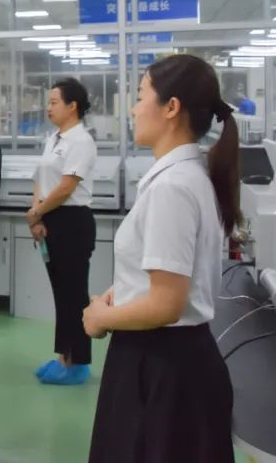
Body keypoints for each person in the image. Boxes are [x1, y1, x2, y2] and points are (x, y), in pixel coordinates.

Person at [84, 55, 235, 463]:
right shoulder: (184, 176)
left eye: (139, 96)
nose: (133, 109)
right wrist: (122, 293)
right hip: (167, 360)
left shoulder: (173, 187)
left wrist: (101, 318)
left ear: (171, 108)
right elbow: (164, 276)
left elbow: (167, 304)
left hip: (162, 367)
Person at [29, 78, 98, 385]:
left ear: (73, 106)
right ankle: (63, 357)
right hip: (51, 218)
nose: (48, 107)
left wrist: (37, 212)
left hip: (72, 222)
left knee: (74, 295)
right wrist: (37, 216)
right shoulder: (53, 139)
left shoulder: (81, 141)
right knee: (61, 294)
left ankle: (78, 362)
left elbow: (66, 188)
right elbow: (40, 179)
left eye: (54, 102)